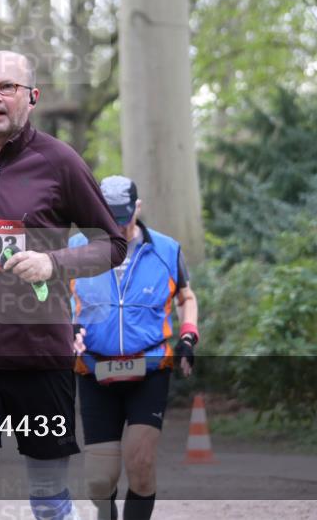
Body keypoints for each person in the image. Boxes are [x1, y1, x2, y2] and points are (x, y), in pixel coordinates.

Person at [0, 51, 128, 520]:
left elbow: (113, 244)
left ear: (31, 98)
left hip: (40, 354)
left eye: (6, 87)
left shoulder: (60, 163)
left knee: (49, 502)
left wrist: (53, 262)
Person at [70, 175, 199, 520]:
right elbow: (52, 300)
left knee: (140, 463)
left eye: (123, 218)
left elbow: (186, 296)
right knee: (100, 480)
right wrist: (66, 331)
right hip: (95, 370)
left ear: (137, 208)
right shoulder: (76, 249)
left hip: (150, 369)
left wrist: (188, 335)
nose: (117, 226)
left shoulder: (166, 250)